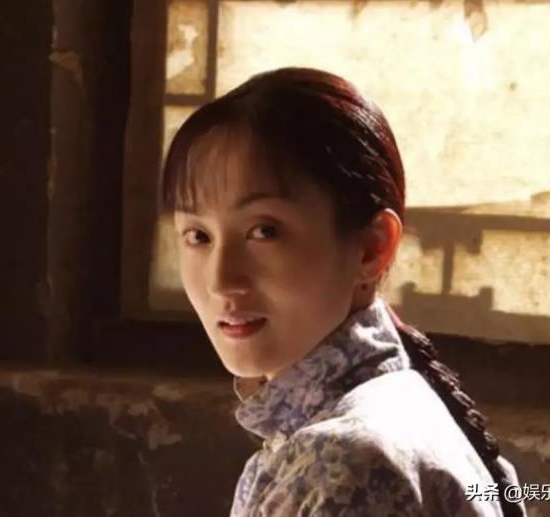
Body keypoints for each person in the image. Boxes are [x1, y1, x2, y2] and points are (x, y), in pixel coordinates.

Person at [158, 67, 527, 516]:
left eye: (264, 231)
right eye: (198, 236)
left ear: (372, 247)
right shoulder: (388, 410)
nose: (221, 281)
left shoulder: (344, 464)